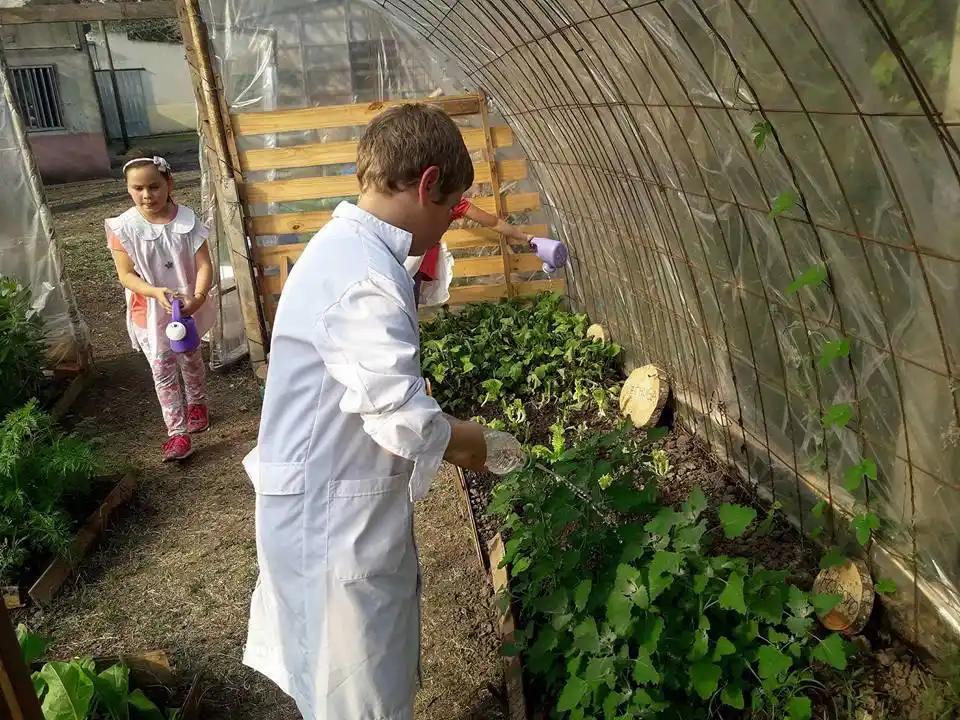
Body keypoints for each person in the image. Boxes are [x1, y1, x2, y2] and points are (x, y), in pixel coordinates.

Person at [242, 104, 499, 719]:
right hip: (330, 529)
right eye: (451, 207)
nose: (448, 225)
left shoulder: (352, 250)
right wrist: (486, 445)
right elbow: (403, 416)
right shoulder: (362, 274)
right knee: (356, 700)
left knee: (353, 689)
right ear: (428, 183)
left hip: (329, 505)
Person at [107, 151, 215, 461]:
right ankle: (177, 433)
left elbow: (204, 263)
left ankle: (197, 402)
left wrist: (199, 296)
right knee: (163, 367)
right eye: (137, 188)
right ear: (128, 189)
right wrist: (154, 292)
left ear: (168, 182)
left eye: (153, 186)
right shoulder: (124, 228)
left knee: (191, 358)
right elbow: (126, 275)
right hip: (150, 310)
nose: (146, 195)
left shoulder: (187, 220)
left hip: (187, 305)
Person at [405, 197, 533, 306]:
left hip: (418, 261)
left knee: (407, 302)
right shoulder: (415, 191)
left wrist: (524, 237)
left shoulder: (455, 202)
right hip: (402, 253)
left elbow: (494, 223)